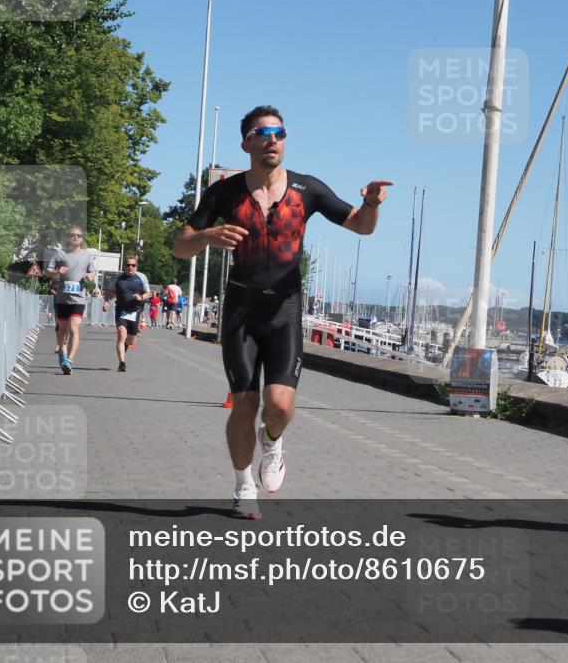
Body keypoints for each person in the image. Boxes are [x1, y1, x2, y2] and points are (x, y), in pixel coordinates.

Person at [173, 104, 392, 519]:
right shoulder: (224, 192)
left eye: (279, 132)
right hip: (240, 310)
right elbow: (178, 245)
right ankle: (243, 487)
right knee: (242, 403)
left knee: (279, 405)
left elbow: (362, 227)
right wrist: (206, 235)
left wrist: (372, 204)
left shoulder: (308, 190)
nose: (272, 139)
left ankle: (272, 443)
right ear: (246, 143)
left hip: (285, 308)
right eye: (262, 132)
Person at [46, 228, 95, 375]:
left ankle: (70, 361)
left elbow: (92, 272)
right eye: (72, 235)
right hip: (62, 298)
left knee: (74, 328)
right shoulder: (60, 253)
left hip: (78, 299)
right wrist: (57, 272)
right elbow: (48, 270)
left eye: (78, 235)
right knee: (62, 329)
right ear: (68, 237)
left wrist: (89, 277)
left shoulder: (87, 255)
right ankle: (62, 352)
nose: (75, 237)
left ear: (82, 239)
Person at [102, 255, 152, 372]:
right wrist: (106, 302)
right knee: (121, 334)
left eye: (133, 265)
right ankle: (122, 363)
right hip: (121, 310)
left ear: (136, 266)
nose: (130, 267)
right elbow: (109, 290)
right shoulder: (118, 277)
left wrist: (141, 297)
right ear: (124, 266)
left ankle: (125, 346)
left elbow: (148, 293)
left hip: (135, 311)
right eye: (128, 265)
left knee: (131, 340)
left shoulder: (141, 277)